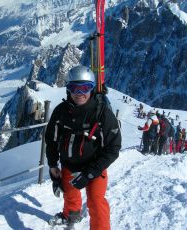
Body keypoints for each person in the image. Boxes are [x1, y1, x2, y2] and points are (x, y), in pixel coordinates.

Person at [45, 66, 122, 229]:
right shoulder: (61, 112)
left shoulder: (102, 114)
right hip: (69, 165)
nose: (79, 93)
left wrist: (90, 172)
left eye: (85, 88)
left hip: (94, 167)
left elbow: (113, 147)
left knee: (95, 200)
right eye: (74, 88)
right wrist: (53, 165)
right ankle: (70, 215)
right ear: (68, 89)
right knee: (70, 192)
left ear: (92, 89)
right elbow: (51, 140)